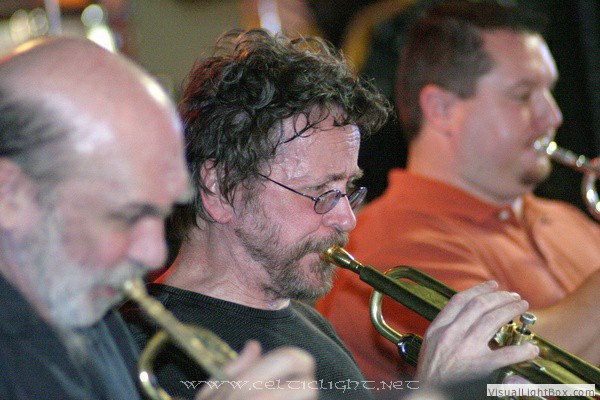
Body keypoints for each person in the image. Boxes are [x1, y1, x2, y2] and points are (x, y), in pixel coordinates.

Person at [122, 28, 538, 400]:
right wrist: (437, 391)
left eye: (347, 190)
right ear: (220, 187)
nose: (346, 220)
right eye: (319, 192)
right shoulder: (157, 356)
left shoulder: (304, 320)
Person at [0, 36, 317, 400]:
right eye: (127, 216)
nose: (154, 254)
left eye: (163, 212)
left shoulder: (85, 306)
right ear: (11, 195)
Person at [316, 0, 600, 385]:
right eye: (523, 95)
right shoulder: (393, 241)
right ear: (441, 109)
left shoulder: (569, 221)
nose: (553, 116)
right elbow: (508, 376)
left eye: (549, 91)